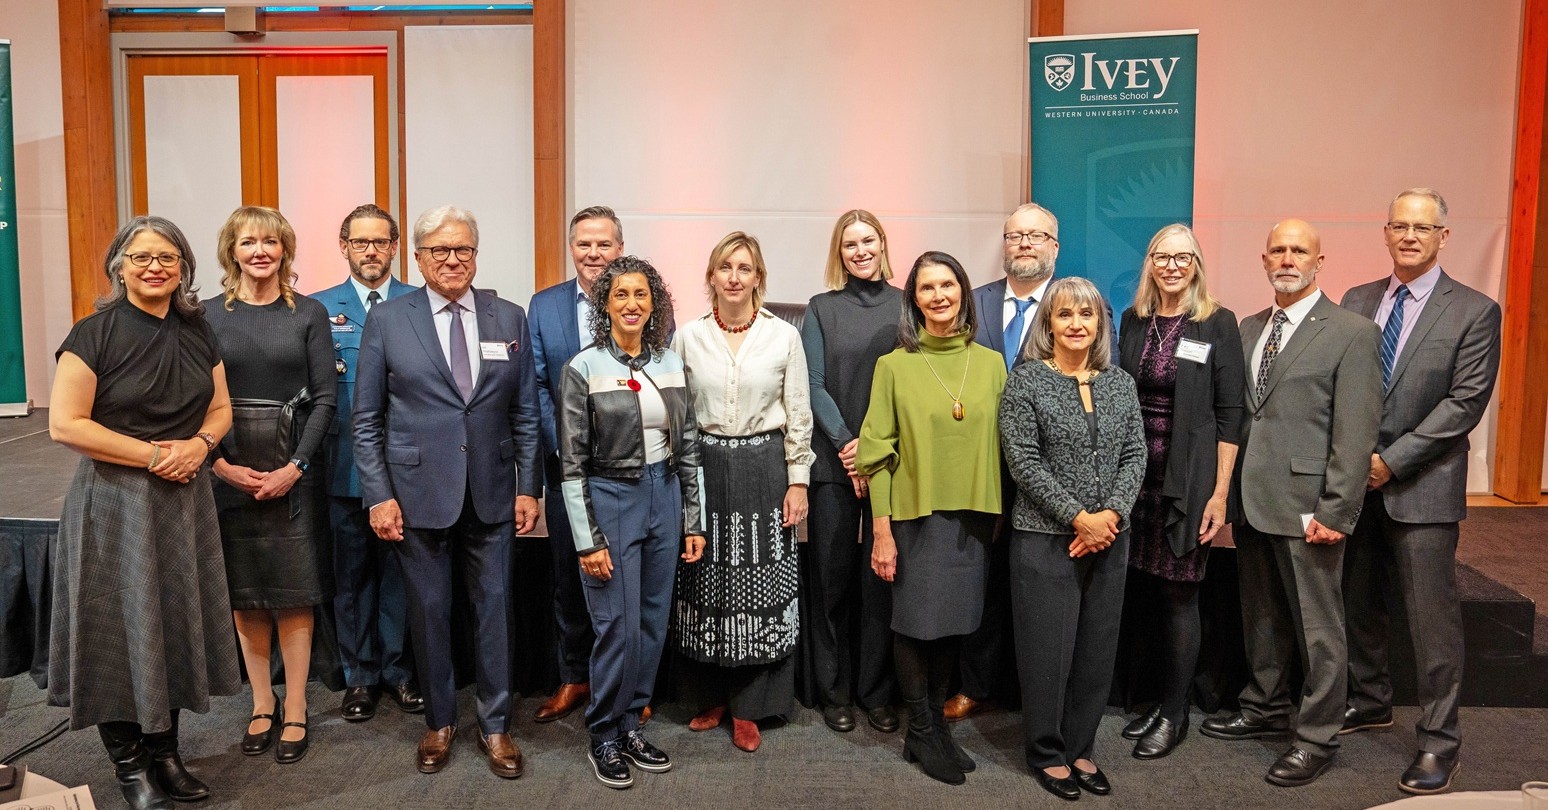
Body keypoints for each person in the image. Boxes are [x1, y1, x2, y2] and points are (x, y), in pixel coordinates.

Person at [48, 216, 239, 810]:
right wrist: (158, 455)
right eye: (140, 257)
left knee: (174, 624)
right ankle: (129, 765)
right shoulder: (94, 332)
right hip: (114, 503)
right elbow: (65, 424)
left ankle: (166, 752)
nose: (154, 266)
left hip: (183, 499)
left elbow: (222, 408)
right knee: (117, 630)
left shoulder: (198, 330)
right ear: (119, 266)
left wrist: (201, 447)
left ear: (183, 267)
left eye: (167, 257)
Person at [353, 205, 542, 780]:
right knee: (429, 613)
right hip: (415, 495)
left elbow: (526, 414)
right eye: (439, 250)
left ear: (476, 255)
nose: (452, 259)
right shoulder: (389, 321)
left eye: (462, 249)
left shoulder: (508, 317)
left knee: (494, 612)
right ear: (418, 258)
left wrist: (528, 488)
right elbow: (366, 420)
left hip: (491, 492)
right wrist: (379, 495)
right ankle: (438, 721)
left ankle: (496, 724)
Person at [1199, 218, 1382, 788]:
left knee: (1317, 626)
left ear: (1319, 261)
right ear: (1263, 259)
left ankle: (1318, 735)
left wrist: (1336, 509)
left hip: (1310, 505)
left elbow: (1356, 433)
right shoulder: (1247, 328)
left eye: (1299, 249)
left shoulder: (1352, 332)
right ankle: (1264, 706)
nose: (1287, 257)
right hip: (1254, 501)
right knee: (1262, 614)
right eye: (1277, 249)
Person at [1340, 189, 1502, 794]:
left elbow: (1465, 403)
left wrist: (1392, 461)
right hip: (1356, 483)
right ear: (1385, 232)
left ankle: (1440, 742)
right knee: (1359, 599)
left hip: (1422, 484)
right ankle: (1370, 697)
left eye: (1422, 227)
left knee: (1431, 619)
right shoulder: (1357, 300)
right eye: (1399, 226)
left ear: (1443, 237)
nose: (1409, 236)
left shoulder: (1475, 310)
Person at [949, 201, 1119, 722]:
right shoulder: (970, 304)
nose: (1024, 243)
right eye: (1015, 234)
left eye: (1037, 235)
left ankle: (1038, 696)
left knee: (1050, 600)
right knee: (983, 584)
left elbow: (1108, 400)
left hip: (1055, 485)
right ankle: (976, 685)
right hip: (981, 468)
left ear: (1055, 247)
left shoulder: (1079, 308)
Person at [856, 251, 1006, 785]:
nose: (939, 296)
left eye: (948, 285)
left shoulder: (990, 364)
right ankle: (920, 728)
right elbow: (875, 454)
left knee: (954, 626)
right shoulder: (894, 365)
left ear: (964, 292)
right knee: (917, 625)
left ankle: (936, 727)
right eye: (927, 288)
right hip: (913, 520)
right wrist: (881, 531)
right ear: (913, 299)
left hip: (972, 520)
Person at [557, 256, 706, 789]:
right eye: (620, 295)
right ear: (606, 305)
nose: (631, 304)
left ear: (654, 303)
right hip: (609, 499)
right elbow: (570, 464)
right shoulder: (584, 367)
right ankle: (603, 734)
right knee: (615, 627)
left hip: (663, 496)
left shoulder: (670, 363)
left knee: (650, 623)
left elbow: (688, 445)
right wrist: (586, 539)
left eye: (641, 294)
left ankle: (631, 725)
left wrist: (694, 519)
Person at [999, 276, 1145, 801]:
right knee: (1046, 654)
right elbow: (1023, 461)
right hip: (1044, 539)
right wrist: (1077, 517)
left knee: (1095, 651)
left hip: (1110, 537)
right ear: (1049, 323)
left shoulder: (1119, 382)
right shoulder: (1027, 381)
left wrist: (1109, 516)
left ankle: (1082, 747)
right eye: (1065, 315)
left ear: (1101, 323)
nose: (1077, 324)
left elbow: (1136, 455)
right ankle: (1045, 752)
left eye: (1088, 315)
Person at [671, 232, 815, 752]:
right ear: (711, 276)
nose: (734, 276)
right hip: (704, 463)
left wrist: (798, 480)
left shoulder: (784, 338)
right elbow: (678, 414)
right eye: (725, 267)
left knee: (759, 581)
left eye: (745, 268)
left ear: (759, 278)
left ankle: (753, 706)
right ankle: (710, 695)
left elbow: (798, 412)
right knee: (704, 578)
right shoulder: (687, 336)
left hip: (763, 466)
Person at [205, 205, 338, 766]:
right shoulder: (204, 316)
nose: (260, 251)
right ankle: (263, 701)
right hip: (229, 466)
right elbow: (193, 399)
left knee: (294, 592)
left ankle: (299, 705)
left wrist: (297, 467)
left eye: (271, 242)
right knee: (246, 593)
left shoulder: (308, 313)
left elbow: (326, 398)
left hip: (293, 467)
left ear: (285, 250)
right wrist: (220, 465)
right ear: (231, 250)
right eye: (248, 241)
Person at [1115, 224, 1245, 759]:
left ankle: (1176, 712)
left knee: (1179, 594)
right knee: (1145, 592)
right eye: (1162, 256)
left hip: (1187, 482)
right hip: (1132, 476)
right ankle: (1153, 699)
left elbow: (1230, 413)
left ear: (1197, 264)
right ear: (1149, 263)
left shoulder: (1217, 322)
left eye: (1183, 256)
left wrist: (1219, 495)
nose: (1172, 265)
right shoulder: (1132, 320)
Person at [311, 203, 422, 723]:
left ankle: (397, 671)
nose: (371, 251)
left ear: (395, 247)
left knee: (399, 577)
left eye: (380, 242)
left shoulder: (418, 303)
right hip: (342, 466)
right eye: (361, 242)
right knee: (350, 577)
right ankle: (359, 678)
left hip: (405, 467)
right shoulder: (316, 309)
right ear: (344, 246)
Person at [799, 209, 904, 735]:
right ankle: (834, 691)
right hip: (834, 464)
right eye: (849, 244)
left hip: (892, 464)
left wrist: (873, 451)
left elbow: (911, 383)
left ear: (883, 244)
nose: (860, 251)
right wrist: (847, 445)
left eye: (868, 240)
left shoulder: (908, 304)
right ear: (838, 253)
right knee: (831, 582)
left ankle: (876, 692)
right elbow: (812, 383)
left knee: (881, 584)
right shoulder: (821, 308)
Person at [528, 206, 624, 724]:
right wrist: (564, 446)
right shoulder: (543, 307)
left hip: (631, 468)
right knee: (570, 574)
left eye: (604, 244)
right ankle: (574, 676)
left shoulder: (643, 302)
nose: (594, 254)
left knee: (627, 577)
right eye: (584, 244)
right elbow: (538, 385)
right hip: (567, 468)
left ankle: (629, 685)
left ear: (620, 248)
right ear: (572, 248)